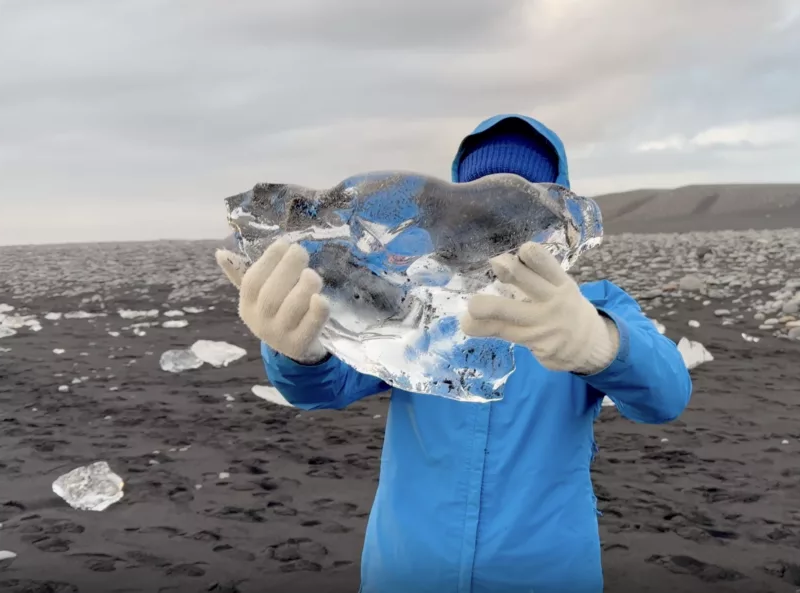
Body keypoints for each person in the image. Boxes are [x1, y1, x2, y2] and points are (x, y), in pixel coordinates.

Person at [215, 114, 693, 593]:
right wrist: (299, 351)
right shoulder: (414, 303)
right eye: (480, 206)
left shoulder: (589, 307)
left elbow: (666, 394)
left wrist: (599, 344)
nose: (495, 225)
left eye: (516, 205)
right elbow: (322, 389)